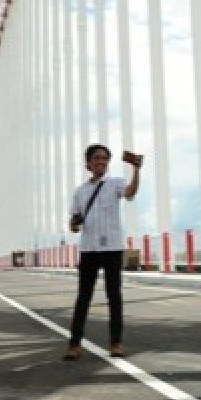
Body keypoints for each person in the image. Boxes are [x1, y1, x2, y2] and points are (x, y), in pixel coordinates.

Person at [63, 143, 141, 361]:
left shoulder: (115, 183)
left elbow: (130, 193)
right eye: (97, 158)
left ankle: (116, 343)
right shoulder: (80, 192)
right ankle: (74, 344)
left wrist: (136, 170)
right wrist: (74, 224)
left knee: (114, 296)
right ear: (88, 163)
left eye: (105, 159)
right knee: (83, 298)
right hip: (89, 249)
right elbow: (73, 223)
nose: (102, 162)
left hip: (113, 248)